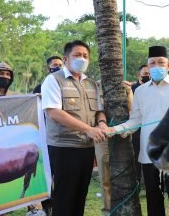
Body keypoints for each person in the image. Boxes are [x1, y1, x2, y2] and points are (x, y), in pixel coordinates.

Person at [108, 46, 169, 216]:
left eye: (161, 62)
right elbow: (136, 119)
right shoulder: (141, 91)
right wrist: (114, 129)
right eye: (152, 63)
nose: (156, 66)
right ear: (148, 67)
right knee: (153, 198)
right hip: (149, 152)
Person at [41, 40, 107, 216]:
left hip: (86, 148)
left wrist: (101, 123)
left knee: (80, 196)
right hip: (63, 148)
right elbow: (54, 112)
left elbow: (99, 111)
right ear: (66, 58)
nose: (82, 59)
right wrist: (88, 129)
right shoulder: (53, 80)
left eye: (85, 56)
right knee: (64, 198)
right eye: (77, 55)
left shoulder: (91, 84)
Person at [130, 64, 150, 184]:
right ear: (139, 75)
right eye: (145, 74)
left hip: (150, 129)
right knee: (137, 156)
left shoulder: (153, 88)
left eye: (149, 74)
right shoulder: (132, 89)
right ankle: (137, 182)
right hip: (137, 129)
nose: (147, 76)